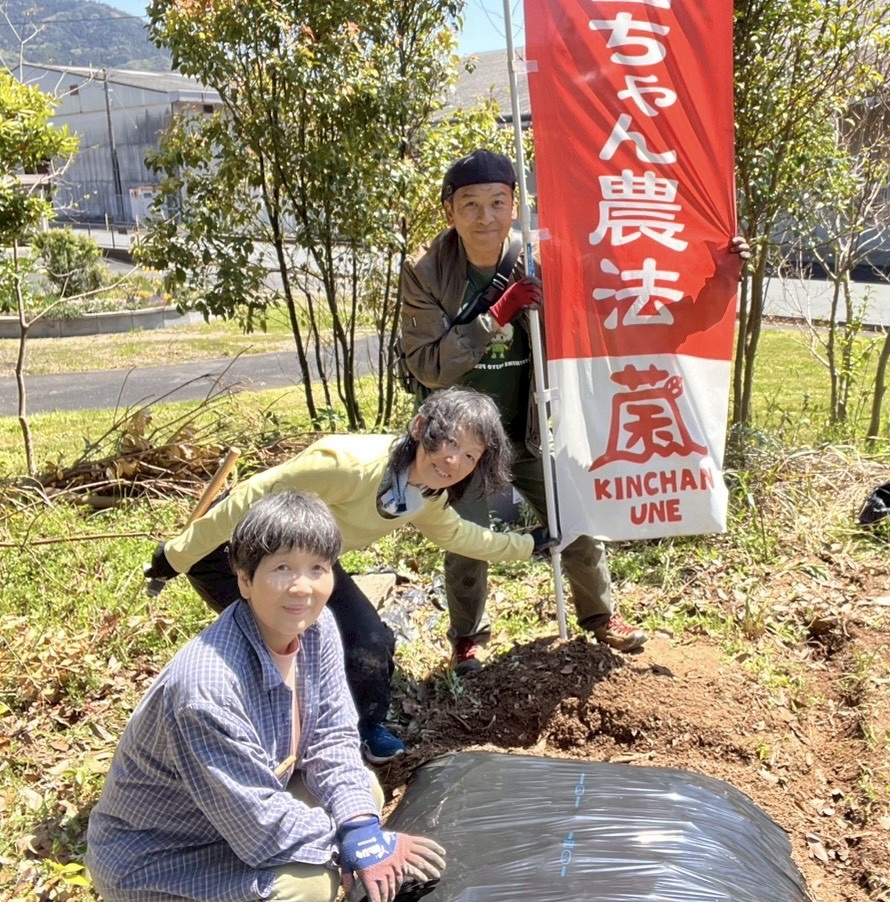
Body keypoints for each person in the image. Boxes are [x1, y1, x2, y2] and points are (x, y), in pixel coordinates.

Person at [143, 387, 550, 764]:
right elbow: (250, 497)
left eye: (470, 455)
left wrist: (529, 546)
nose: (453, 460)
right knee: (279, 644)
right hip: (233, 549)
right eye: (449, 442)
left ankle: (366, 727)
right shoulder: (348, 464)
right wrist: (175, 556)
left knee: (370, 640)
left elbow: (460, 535)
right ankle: (263, 743)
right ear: (420, 428)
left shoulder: (425, 494)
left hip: (308, 555)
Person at [88, 491, 446, 902]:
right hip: (166, 856)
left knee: (362, 791)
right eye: (282, 568)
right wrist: (348, 845)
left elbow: (332, 738)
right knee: (308, 887)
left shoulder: (316, 628)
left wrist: (361, 829)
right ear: (244, 579)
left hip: (237, 811)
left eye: (318, 568)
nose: (302, 588)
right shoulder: (205, 691)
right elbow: (259, 826)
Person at [400, 149, 648, 673]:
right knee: (465, 535)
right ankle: (468, 638)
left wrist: (712, 264)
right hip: (458, 435)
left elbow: (621, 288)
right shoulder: (425, 271)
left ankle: (600, 616)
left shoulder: (536, 257)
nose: (484, 217)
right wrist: (496, 316)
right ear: (449, 212)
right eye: (470, 204)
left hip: (528, 425)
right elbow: (428, 366)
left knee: (572, 515)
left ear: (515, 205)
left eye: (497, 202)